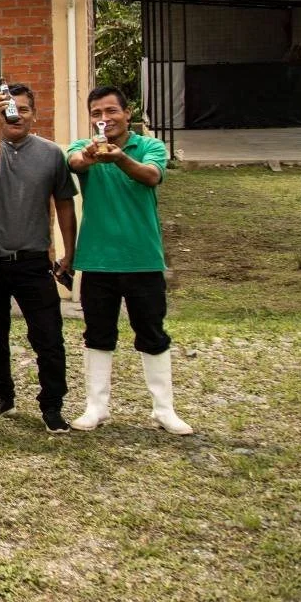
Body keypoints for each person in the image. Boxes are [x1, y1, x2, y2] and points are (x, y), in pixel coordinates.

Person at [66, 86, 193, 435]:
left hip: (143, 259)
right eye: (96, 113)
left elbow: (151, 176)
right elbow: (74, 162)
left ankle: (164, 410)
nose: (104, 119)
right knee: (97, 334)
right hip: (97, 261)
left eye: (111, 111)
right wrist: (94, 154)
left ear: (127, 112)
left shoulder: (149, 147)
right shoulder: (84, 147)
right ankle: (96, 407)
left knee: (152, 333)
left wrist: (120, 157)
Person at [0, 84, 77, 433]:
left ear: (35, 114)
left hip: (32, 259)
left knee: (48, 335)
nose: (16, 116)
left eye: (23, 110)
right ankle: (2, 394)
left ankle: (52, 404)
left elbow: (63, 203)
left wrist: (68, 251)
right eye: (8, 110)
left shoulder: (50, 154)